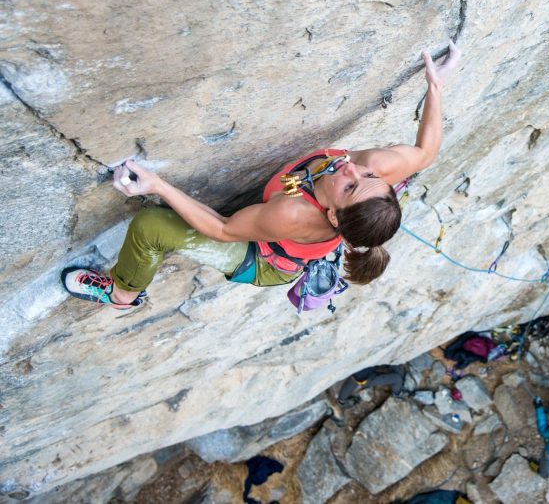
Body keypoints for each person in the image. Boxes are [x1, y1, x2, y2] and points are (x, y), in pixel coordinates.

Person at [61, 42, 461, 309]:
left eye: (351, 184)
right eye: (367, 174)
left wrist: (158, 186)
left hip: (266, 257)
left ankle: (122, 293)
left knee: (150, 226)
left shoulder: (292, 216)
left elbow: (222, 228)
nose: (351, 166)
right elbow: (426, 152)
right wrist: (436, 88)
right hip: (292, 218)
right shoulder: (375, 168)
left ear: (335, 217)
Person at [336, 364, 410, 407]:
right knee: (398, 378)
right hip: (369, 378)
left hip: (363, 374)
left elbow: (352, 382)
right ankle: (397, 393)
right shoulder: (358, 377)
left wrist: (342, 400)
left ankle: (341, 400)